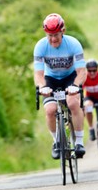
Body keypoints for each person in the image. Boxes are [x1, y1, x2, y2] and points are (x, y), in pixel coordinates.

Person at [34, 13, 87, 159]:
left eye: (56, 35)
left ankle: (79, 143)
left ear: (63, 31)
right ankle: (56, 141)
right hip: (50, 78)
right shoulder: (40, 46)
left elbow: (82, 71)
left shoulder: (74, 44)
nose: (52, 39)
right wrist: (42, 86)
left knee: (73, 103)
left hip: (70, 77)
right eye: (49, 35)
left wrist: (75, 86)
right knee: (50, 110)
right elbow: (38, 74)